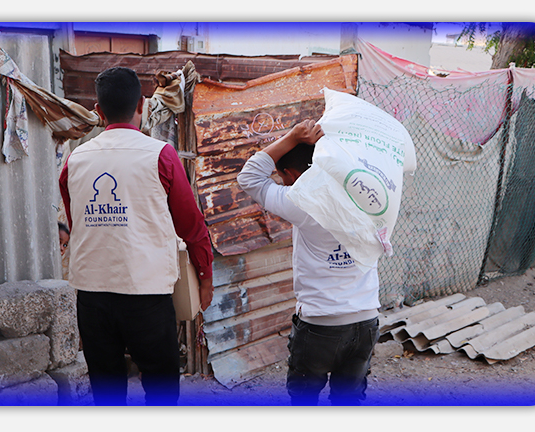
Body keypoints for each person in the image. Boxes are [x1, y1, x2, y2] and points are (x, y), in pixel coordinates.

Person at [58, 66, 214, 406]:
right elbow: (191, 226)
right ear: (142, 105)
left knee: (107, 392)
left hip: (92, 296)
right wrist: (205, 277)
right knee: (161, 391)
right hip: (147, 294)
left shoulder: (75, 159)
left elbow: (76, 222)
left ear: (98, 111)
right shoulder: (161, 155)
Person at [237, 119, 381, 406]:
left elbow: (249, 177)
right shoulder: (370, 194)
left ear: (291, 174)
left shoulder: (302, 200)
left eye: (282, 178)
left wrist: (292, 137)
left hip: (320, 324)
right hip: (366, 319)